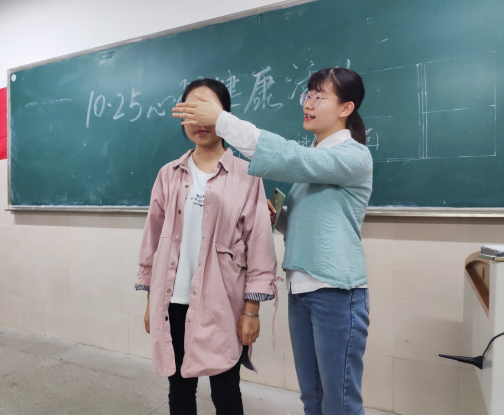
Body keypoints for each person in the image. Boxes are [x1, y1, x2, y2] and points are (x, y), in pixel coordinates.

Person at [173, 68, 373, 416]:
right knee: (312, 397)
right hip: (302, 288)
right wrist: (277, 216)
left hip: (337, 290)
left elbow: (293, 159)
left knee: (339, 402)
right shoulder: (317, 157)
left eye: (320, 96)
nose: (308, 103)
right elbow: (316, 221)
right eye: (308, 95)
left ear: (346, 108)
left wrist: (222, 121)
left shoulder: (352, 156)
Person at [136, 79, 280, 416]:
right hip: (173, 300)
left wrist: (251, 310)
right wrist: (150, 301)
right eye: (190, 111)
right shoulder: (168, 174)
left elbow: (259, 245)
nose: (199, 120)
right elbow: (152, 239)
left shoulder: (247, 174)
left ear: (224, 115)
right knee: (179, 390)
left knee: (226, 391)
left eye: (207, 110)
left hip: (222, 302)